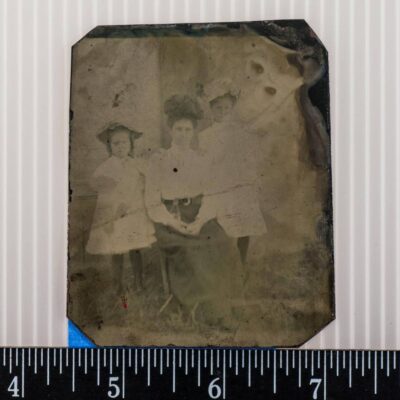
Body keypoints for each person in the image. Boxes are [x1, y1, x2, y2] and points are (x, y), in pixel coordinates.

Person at [145, 95, 244, 329]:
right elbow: (151, 201)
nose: (182, 134)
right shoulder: (159, 160)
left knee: (222, 242)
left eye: (187, 129)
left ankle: (224, 306)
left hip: (198, 214)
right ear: (171, 130)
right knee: (191, 249)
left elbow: (210, 194)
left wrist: (200, 221)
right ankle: (202, 311)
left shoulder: (202, 159)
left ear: (193, 132)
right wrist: (174, 223)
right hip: (170, 217)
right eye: (178, 129)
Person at [198, 79, 267, 264]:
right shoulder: (205, 136)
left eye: (226, 108)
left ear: (232, 109)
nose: (222, 112)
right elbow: (204, 163)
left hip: (239, 183)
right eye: (218, 108)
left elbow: (248, 159)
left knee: (243, 224)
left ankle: (241, 263)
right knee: (221, 225)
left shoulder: (241, 133)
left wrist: (252, 180)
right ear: (211, 109)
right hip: (218, 184)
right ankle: (223, 265)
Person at [86, 123, 156, 299]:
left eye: (124, 143)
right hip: (115, 214)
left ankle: (139, 284)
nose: (120, 147)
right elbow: (96, 184)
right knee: (116, 250)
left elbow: (150, 176)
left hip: (133, 212)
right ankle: (118, 287)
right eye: (116, 144)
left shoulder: (135, 164)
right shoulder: (107, 166)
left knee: (135, 248)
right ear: (109, 146)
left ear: (131, 144)